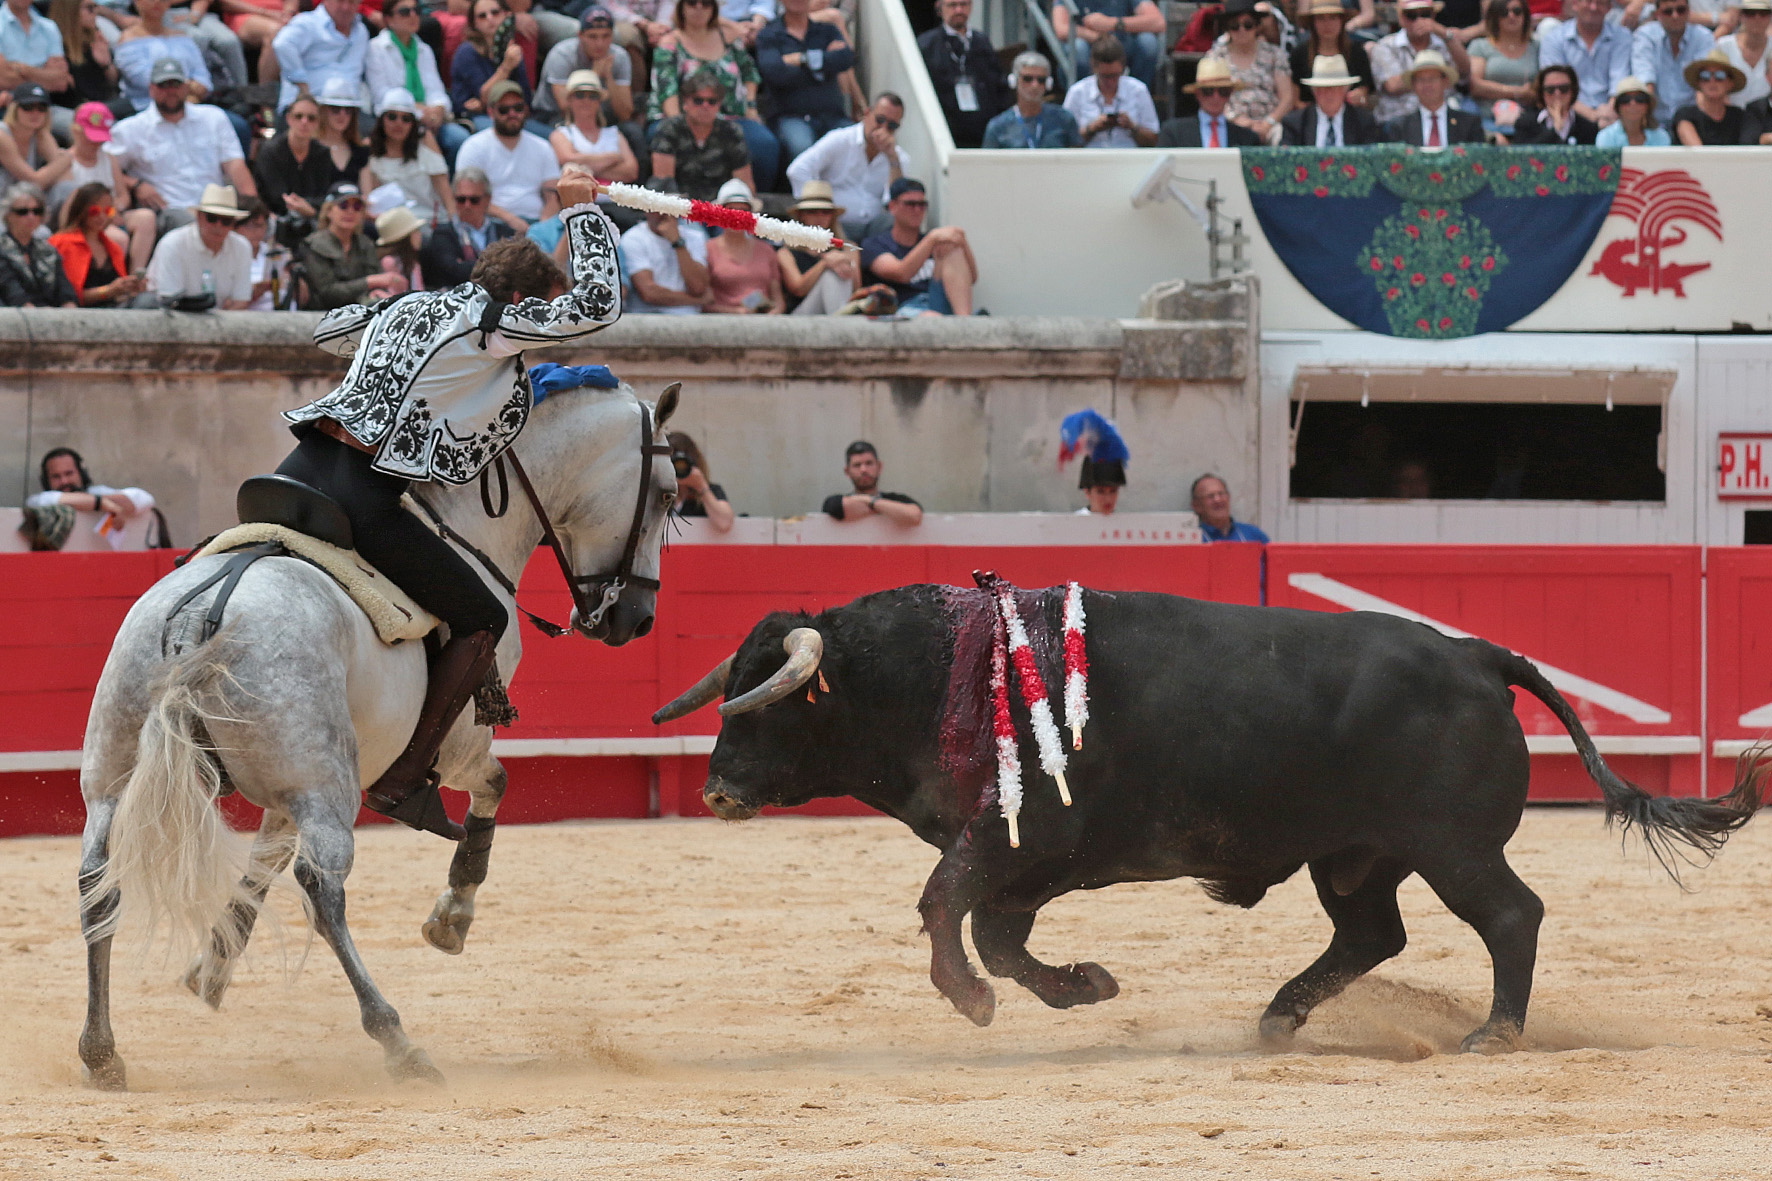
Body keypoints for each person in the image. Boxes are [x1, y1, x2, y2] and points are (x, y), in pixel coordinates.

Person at [276, 165, 620, 838]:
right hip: (361, 492)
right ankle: (404, 775)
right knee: (483, 614)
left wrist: (391, 317)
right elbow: (599, 306)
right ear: (519, 299)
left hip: (296, 470)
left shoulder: (406, 306)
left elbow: (328, 330)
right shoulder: (492, 324)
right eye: (537, 318)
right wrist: (582, 213)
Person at [106, 58, 258, 237]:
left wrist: (254, 207)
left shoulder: (213, 118)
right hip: (170, 211)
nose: (171, 91)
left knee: (259, 224)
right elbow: (104, 165)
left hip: (216, 208)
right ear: (152, 89)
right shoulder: (130, 129)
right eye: (164, 85)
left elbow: (235, 165)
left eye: (176, 84)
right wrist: (136, 184)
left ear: (186, 87)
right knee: (195, 227)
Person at [648, 0, 777, 191]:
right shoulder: (669, 43)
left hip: (731, 118)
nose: (699, 8)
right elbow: (667, 90)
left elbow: (750, 74)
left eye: (706, 3)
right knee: (667, 138)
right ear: (681, 7)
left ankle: (752, 200)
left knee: (764, 143)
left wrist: (750, 106)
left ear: (714, 9)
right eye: (692, 3)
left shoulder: (729, 38)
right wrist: (679, 124)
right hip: (685, 117)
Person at [784, 92, 906, 242]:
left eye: (892, 125)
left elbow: (896, 202)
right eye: (880, 119)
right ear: (867, 113)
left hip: (874, 231)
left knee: (896, 219)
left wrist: (893, 159)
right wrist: (818, 208)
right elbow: (797, 170)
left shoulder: (898, 157)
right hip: (835, 225)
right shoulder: (840, 139)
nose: (883, 128)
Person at [366, 0, 470, 164]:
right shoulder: (375, 48)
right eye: (405, 12)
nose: (413, 16)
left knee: (459, 139)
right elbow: (381, 95)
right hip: (396, 119)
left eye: (416, 10)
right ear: (388, 19)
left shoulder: (424, 49)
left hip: (429, 119)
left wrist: (438, 110)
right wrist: (420, 112)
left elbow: (436, 90)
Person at [860, 177, 975, 318]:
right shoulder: (875, 244)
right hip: (902, 308)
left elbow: (971, 279)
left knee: (951, 245)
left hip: (937, 302)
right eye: (910, 204)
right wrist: (931, 238)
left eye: (922, 204)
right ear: (892, 206)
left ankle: (964, 321)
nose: (917, 210)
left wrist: (962, 242)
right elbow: (900, 274)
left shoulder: (934, 242)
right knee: (931, 317)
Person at [761, 0, 859, 162]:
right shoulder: (769, 34)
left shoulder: (827, 30)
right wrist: (824, 63)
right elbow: (774, 72)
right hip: (791, 117)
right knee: (802, 147)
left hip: (832, 116)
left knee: (856, 142)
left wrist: (801, 59)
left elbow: (845, 58)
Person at [455, 81, 562, 223]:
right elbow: (468, 196)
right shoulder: (473, 146)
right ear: (491, 112)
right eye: (504, 110)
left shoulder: (543, 147)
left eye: (518, 108)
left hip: (536, 222)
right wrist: (511, 220)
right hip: (491, 222)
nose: (512, 114)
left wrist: (542, 227)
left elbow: (553, 196)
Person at [914, 0, 1009, 148]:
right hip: (948, 134)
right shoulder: (927, 45)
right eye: (952, 5)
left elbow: (998, 85)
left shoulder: (982, 41)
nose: (959, 10)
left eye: (964, 5)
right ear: (940, 8)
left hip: (983, 133)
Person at [649, 68, 753, 201]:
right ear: (685, 102)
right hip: (679, 206)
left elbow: (743, 184)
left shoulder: (732, 132)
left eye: (712, 101)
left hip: (720, 206)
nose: (705, 106)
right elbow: (664, 186)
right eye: (698, 100)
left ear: (719, 104)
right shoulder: (669, 130)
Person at [301, 180, 407, 308]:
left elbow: (378, 278)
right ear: (329, 211)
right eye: (343, 205)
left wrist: (377, 292)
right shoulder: (314, 244)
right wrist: (370, 282)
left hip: (362, 311)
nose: (350, 211)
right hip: (321, 314)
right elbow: (327, 292)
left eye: (357, 207)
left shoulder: (365, 243)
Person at [144, 181, 251, 306]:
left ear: (233, 224)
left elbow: (241, 301)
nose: (218, 226)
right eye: (212, 218)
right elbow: (170, 301)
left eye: (226, 221)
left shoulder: (242, 247)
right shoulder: (173, 244)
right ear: (199, 217)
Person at [1205, 0, 1297, 141]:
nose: (1242, 30)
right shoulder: (1216, 57)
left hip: (1271, 126)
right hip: (1229, 123)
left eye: (1248, 25)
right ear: (1227, 28)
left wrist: (1268, 123)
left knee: (1282, 135)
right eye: (1235, 26)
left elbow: (1287, 98)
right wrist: (1239, 121)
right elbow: (1210, 96)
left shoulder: (1275, 54)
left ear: (1257, 26)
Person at [362, 87, 454, 224]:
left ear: (413, 123)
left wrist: (456, 225)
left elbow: (445, 190)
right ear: (382, 120)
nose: (398, 123)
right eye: (392, 117)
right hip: (391, 226)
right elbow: (369, 201)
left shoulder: (425, 144)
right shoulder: (370, 151)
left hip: (430, 222)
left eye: (406, 118)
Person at [1371, 0, 1470, 125]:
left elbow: (1464, 72)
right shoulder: (1386, 45)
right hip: (1400, 119)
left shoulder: (1445, 42)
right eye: (1411, 15)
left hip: (1444, 114)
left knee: (1468, 117)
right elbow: (1393, 85)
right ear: (1401, 18)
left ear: (1433, 15)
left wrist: (1445, 33)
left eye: (1425, 14)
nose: (1419, 21)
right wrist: (1435, 74)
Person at [1539, 0, 1634, 127]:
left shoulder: (1622, 37)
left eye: (1600, 3)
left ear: (1609, 7)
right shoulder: (1554, 39)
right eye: (1588, 1)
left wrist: (1609, 112)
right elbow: (1554, 86)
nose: (1593, 7)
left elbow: (1619, 81)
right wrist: (1592, 116)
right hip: (1567, 115)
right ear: (1575, 4)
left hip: (1611, 115)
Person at [618, 182, 711, 312]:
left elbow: (698, 287)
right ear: (646, 209)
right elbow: (649, 293)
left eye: (670, 206)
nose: (665, 213)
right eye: (659, 206)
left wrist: (678, 242)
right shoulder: (633, 238)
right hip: (650, 317)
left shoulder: (695, 237)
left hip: (690, 317)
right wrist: (697, 301)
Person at [777, 179, 866, 313]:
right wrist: (825, 264)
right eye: (812, 211)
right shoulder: (787, 252)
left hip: (839, 305)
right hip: (801, 315)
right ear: (801, 215)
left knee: (835, 274)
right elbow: (798, 289)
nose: (819, 216)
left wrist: (846, 264)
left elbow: (856, 289)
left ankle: (838, 319)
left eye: (826, 212)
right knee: (830, 274)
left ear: (832, 216)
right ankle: (839, 321)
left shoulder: (848, 248)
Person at [49, 181, 144, 306]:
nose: (102, 217)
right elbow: (66, 296)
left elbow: (120, 295)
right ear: (81, 209)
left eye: (108, 211)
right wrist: (108, 291)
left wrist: (131, 288)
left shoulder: (113, 248)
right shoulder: (60, 243)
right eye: (95, 211)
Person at [420, 166, 516, 286]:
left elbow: (514, 269)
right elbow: (453, 271)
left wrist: (468, 265)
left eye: (474, 200)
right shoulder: (442, 233)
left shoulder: (505, 232)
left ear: (487, 199)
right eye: (461, 199)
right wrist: (500, 265)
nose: (467, 205)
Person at [538, 7, 635, 123]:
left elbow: (625, 114)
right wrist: (594, 76)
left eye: (606, 36)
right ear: (580, 35)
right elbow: (566, 108)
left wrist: (609, 78)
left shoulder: (620, 57)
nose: (600, 44)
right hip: (553, 114)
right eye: (592, 36)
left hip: (600, 115)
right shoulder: (562, 55)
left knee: (631, 130)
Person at [114, 0, 212, 113]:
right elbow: (143, 80)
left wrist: (193, 92)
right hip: (144, 108)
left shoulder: (183, 37)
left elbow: (203, 77)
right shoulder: (128, 39)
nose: (157, 2)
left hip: (191, 106)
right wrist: (187, 88)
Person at [549, 70, 640, 189]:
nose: (586, 100)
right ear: (570, 100)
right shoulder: (561, 133)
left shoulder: (614, 134)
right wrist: (613, 158)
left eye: (593, 96)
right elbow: (566, 158)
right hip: (579, 199)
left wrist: (583, 167)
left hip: (614, 199)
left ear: (599, 102)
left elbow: (631, 172)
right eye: (580, 95)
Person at [255, 92, 340, 221]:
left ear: (318, 122)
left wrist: (310, 209)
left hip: (314, 218)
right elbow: (275, 195)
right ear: (288, 119)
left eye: (311, 118)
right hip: (275, 218)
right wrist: (304, 207)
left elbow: (324, 194)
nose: (304, 122)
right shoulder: (270, 151)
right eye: (298, 116)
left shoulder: (322, 153)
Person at [272, 0, 368, 113]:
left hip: (348, 107)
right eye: (340, 1)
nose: (345, 7)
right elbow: (282, 44)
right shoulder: (307, 22)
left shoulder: (361, 31)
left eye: (352, 2)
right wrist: (302, 84)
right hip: (308, 107)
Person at [452, 0, 535, 129]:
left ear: (506, 15)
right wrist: (506, 67)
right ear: (474, 23)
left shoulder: (511, 48)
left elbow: (525, 97)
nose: (490, 18)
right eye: (482, 16)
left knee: (550, 135)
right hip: (474, 118)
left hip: (513, 115)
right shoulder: (466, 52)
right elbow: (486, 98)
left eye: (495, 13)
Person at [1063, 36, 1159, 148]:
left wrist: (1133, 127)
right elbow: (1065, 141)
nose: (1110, 82)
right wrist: (1092, 128)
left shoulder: (1138, 90)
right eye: (1105, 76)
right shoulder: (1077, 92)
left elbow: (1154, 140)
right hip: (1090, 157)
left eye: (1115, 75)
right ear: (1094, 67)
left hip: (1129, 156)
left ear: (1123, 68)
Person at [703, 177, 781, 312]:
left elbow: (778, 299)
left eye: (743, 211)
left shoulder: (766, 250)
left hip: (764, 320)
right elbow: (704, 302)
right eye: (731, 210)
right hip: (722, 321)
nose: (737, 217)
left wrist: (774, 313)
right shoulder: (707, 249)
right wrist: (735, 312)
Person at [1633, 0, 1717, 124]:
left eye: (1680, 10)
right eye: (1668, 11)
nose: (1675, 16)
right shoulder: (1645, 36)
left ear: (1688, 11)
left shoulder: (1703, 37)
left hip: (1692, 119)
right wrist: (1647, 121)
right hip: (1655, 118)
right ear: (1657, 14)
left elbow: (1703, 82)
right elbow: (1645, 79)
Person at [1049, 0, 1165, 88]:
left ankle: (1136, 95)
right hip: (1089, 48)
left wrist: (1112, 23)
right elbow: (1061, 29)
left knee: (1148, 42)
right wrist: (1097, 37)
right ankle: (1083, 99)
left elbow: (1158, 22)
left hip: (1121, 46)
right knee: (1078, 48)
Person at [1, 0, 75, 136]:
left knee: (83, 128)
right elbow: (3, 79)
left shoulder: (49, 27)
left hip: (45, 107)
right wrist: (45, 73)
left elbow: (60, 81)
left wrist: (24, 70)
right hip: (8, 108)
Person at [0, 182, 78, 307]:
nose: (31, 217)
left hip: (50, 313)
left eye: (37, 211)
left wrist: (70, 312)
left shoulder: (48, 249)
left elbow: (65, 291)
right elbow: (13, 293)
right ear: (8, 215)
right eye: (22, 212)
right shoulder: (2, 248)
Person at [981, 51, 1081, 148]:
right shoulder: (997, 127)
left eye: (1041, 80)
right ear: (1014, 81)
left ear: (1048, 84)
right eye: (1027, 79)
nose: (1035, 85)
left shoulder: (1064, 119)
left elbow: (1077, 155)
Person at [1384, 47, 1485, 141]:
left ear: (1445, 82)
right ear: (1413, 85)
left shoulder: (1469, 123)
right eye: (1421, 79)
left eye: (1432, 78)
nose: (1427, 85)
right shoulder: (1399, 127)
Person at [0, 85, 73, 214]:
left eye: (42, 108)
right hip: (4, 206)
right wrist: (65, 159)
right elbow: (33, 182)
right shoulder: (2, 134)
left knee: (67, 189)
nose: (35, 113)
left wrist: (61, 163)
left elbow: (66, 178)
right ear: (14, 109)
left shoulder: (41, 135)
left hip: (27, 209)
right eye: (28, 107)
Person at [1157, 58, 1263, 145]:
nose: (1215, 97)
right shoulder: (1174, 133)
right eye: (1208, 91)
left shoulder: (1247, 138)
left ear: (1230, 94)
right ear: (1198, 94)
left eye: (1223, 91)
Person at [1281, 54, 1385, 143]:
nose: (1329, 94)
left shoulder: (1363, 121)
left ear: (1345, 89)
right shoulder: (1295, 123)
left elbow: (1371, 157)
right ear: (1314, 91)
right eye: (1322, 88)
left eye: (1335, 88)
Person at [1467, 0, 1538, 128]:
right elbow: (1475, 86)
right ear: (1495, 17)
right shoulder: (1479, 46)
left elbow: (1541, 87)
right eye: (1504, 12)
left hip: (1529, 119)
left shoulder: (1536, 47)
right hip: (1486, 118)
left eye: (1517, 11)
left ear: (1525, 16)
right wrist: (1517, 92)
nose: (1511, 16)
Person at [1289, 0, 1374, 106]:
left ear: (1341, 20)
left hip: (1349, 112)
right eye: (1321, 18)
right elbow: (1295, 100)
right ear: (1313, 22)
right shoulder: (1299, 54)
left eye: (1333, 18)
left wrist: (1359, 96)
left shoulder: (1357, 52)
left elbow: (1364, 92)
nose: (1327, 24)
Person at [49, 0, 124, 115]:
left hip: (106, 105)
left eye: (95, 7)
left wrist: (106, 64)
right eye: (89, 8)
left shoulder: (97, 39)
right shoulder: (56, 47)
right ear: (71, 11)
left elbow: (113, 84)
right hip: (75, 110)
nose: (95, 13)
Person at [822, 441, 921, 525]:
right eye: (857, 465)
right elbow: (835, 508)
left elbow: (914, 516)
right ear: (847, 471)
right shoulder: (836, 501)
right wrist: (890, 511)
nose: (863, 470)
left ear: (879, 467)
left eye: (869, 463)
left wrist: (869, 501)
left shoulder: (898, 500)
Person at [1507, 62, 1600, 140]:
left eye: (1563, 88)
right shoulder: (1525, 123)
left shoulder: (1588, 127)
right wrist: (1555, 129)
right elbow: (1525, 153)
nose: (1557, 93)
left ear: (1573, 91)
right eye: (1550, 89)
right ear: (1542, 93)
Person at [1671, 45, 1749, 137]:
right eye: (1705, 76)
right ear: (1699, 83)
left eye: (1720, 76)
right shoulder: (1685, 115)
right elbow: (1695, 146)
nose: (1712, 81)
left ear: (1730, 83)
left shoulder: (1740, 117)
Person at [667, 431, 734, 531]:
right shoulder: (657, 494)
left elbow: (724, 523)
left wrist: (701, 487)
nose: (678, 468)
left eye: (683, 462)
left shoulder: (711, 490)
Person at [235, 196, 289, 309]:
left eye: (261, 225)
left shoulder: (275, 252)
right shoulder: (231, 254)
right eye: (251, 226)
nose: (257, 232)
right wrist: (253, 292)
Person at [315, 76, 373, 182]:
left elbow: (366, 190)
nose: (342, 114)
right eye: (335, 109)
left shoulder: (361, 151)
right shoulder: (310, 148)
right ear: (324, 111)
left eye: (348, 109)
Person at [1717, 0, 1770, 108]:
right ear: (1741, 16)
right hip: (1731, 114)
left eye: (1763, 13)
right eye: (1750, 13)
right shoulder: (1723, 46)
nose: (1757, 18)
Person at [1192, 473, 1268, 543]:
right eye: (1210, 496)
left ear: (1229, 497)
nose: (1218, 500)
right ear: (1196, 506)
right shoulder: (1192, 538)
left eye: (1221, 494)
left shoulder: (1253, 535)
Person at [1596, 73, 1672, 141]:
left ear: (1647, 106)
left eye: (1640, 99)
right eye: (1625, 99)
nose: (1633, 103)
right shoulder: (1606, 138)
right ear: (1618, 107)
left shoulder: (1661, 138)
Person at [375, 202, 426, 291]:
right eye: (416, 231)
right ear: (404, 238)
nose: (420, 234)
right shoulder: (389, 262)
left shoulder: (412, 262)